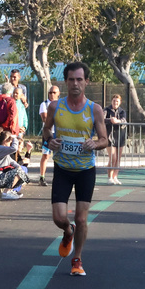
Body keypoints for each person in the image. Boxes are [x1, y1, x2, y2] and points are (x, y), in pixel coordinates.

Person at [42, 62, 108, 276]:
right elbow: (46, 131)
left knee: (81, 218)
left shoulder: (94, 109)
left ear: (86, 82)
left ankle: (77, 259)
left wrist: (94, 144)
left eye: (79, 79)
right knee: (59, 218)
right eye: (71, 79)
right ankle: (67, 232)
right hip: (62, 167)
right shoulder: (55, 106)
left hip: (85, 170)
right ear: (65, 82)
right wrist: (50, 140)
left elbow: (105, 140)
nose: (75, 84)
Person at [0, 129, 30, 199]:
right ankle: (6, 193)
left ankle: (10, 190)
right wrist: (15, 138)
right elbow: (14, 149)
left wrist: (20, 169)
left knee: (21, 172)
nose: (11, 143)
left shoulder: (3, 152)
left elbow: (12, 162)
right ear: (5, 141)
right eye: (10, 141)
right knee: (18, 172)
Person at [1, 69, 31, 164]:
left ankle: (19, 163)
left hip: (20, 123)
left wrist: (24, 126)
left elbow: (24, 103)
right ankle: (14, 163)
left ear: (19, 77)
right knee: (11, 146)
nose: (13, 79)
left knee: (19, 145)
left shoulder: (23, 88)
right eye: (11, 77)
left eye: (15, 77)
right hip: (11, 126)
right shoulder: (8, 90)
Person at [38, 85, 60, 186]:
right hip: (48, 132)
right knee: (46, 155)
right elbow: (44, 118)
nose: (52, 94)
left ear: (58, 94)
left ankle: (59, 177)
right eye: (50, 92)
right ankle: (42, 177)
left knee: (59, 155)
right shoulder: (44, 104)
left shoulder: (61, 104)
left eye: (54, 92)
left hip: (59, 132)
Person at [105, 94, 127, 185]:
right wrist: (110, 120)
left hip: (120, 136)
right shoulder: (106, 110)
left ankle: (115, 176)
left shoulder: (122, 111)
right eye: (114, 101)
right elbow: (102, 119)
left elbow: (124, 120)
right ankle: (109, 177)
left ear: (120, 102)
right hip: (109, 136)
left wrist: (118, 121)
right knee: (113, 157)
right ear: (111, 101)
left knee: (118, 158)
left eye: (117, 101)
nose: (115, 103)